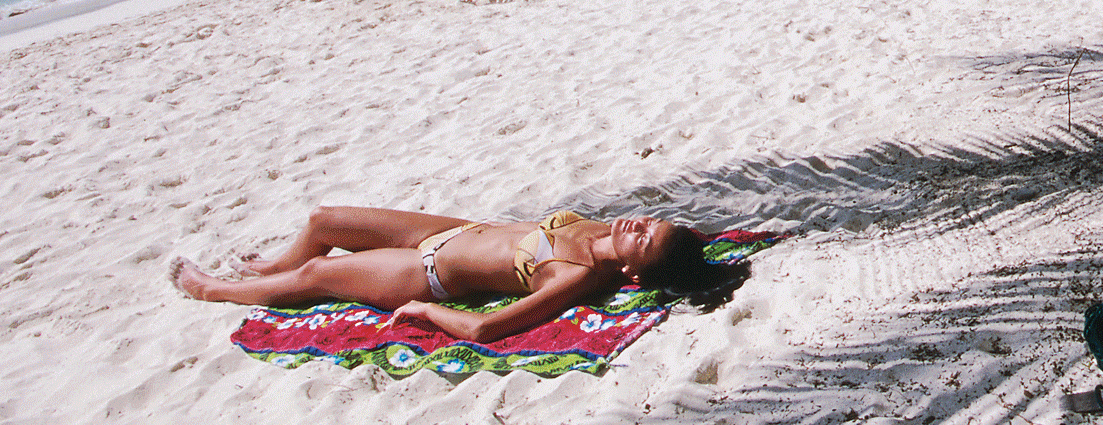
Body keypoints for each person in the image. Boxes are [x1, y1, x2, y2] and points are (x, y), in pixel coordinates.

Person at [171, 205, 738, 344]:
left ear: (634, 277)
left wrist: (424, 311)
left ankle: (212, 289)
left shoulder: (577, 276)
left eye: (644, 239)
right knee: (323, 221)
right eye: (651, 222)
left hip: (426, 273)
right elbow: (697, 250)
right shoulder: (602, 231)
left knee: (321, 271)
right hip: (449, 229)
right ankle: (272, 267)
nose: (638, 224)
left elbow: (486, 330)